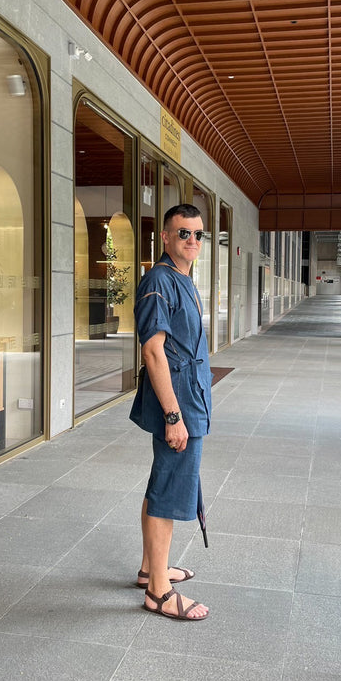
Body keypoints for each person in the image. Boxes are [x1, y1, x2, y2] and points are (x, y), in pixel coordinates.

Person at [129, 203, 212, 621]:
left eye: (198, 234)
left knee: (162, 482)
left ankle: (152, 569)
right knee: (170, 489)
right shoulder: (159, 281)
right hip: (177, 403)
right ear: (165, 237)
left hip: (187, 396)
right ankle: (159, 592)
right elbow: (152, 351)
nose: (192, 240)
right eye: (183, 233)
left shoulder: (181, 278)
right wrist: (174, 416)